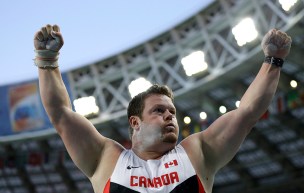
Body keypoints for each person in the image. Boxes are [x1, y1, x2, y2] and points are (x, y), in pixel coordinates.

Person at [33, 24, 291, 193]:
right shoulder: (107, 158)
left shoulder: (196, 151)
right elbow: (61, 114)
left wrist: (273, 60)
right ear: (135, 123)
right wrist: (47, 62)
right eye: (158, 111)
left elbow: (246, 114)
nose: (170, 115)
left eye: (172, 112)